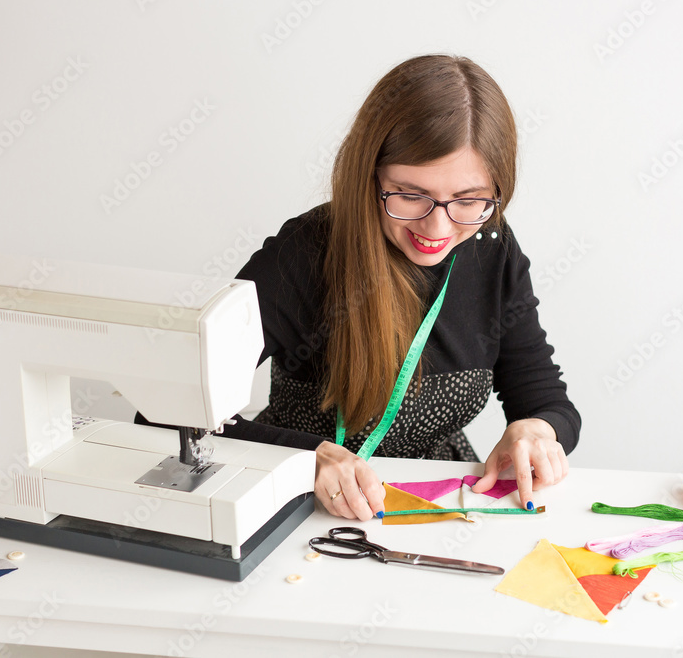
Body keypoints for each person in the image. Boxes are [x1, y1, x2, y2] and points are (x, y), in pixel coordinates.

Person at [225, 54, 580, 521]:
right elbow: (170, 415)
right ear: (368, 174)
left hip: (435, 503)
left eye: (469, 200)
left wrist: (536, 430)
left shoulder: (492, 247)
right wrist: (302, 456)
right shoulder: (303, 254)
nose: (437, 226)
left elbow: (545, 399)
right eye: (410, 195)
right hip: (306, 508)